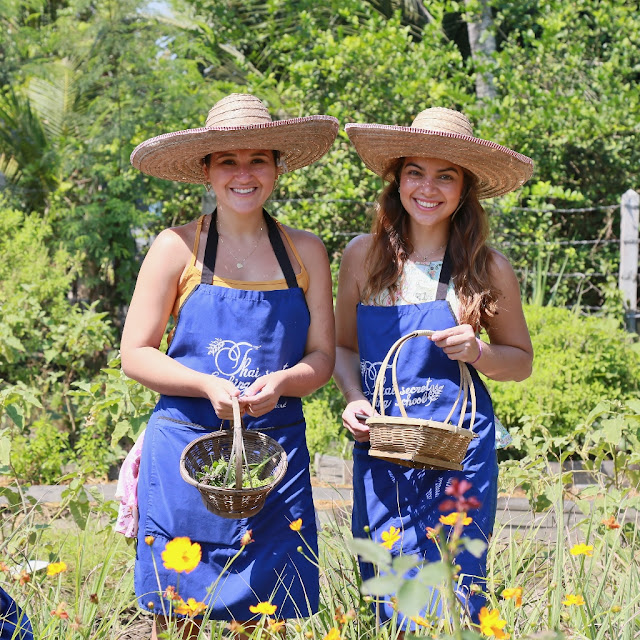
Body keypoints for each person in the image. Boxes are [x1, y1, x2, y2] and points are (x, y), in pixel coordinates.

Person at [123, 93, 338, 639]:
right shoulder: (176, 248)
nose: (243, 175)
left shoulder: (306, 252)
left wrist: (287, 381)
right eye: (227, 161)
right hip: (186, 454)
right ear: (206, 170)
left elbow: (321, 358)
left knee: (266, 614)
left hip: (273, 455)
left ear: (277, 167)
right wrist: (204, 383)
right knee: (176, 612)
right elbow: (135, 354)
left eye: (257, 160)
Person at [334, 107, 534, 633]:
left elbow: (520, 362)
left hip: (459, 450)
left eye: (446, 175)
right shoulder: (361, 256)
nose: (429, 187)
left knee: (456, 582)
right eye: (416, 172)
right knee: (390, 584)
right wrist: (354, 397)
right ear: (396, 179)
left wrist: (479, 352)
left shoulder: (488, 267)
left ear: (465, 188)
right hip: (385, 445)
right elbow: (341, 347)